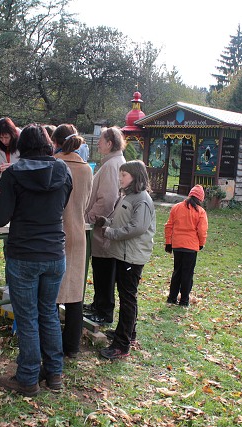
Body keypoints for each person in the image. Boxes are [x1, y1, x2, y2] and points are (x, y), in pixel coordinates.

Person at [0, 124, 72, 397]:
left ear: (22, 146)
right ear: (48, 144)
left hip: (24, 253)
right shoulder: (63, 171)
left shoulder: (13, 174)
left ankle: (27, 377)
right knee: (47, 313)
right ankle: (54, 372)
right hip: (53, 254)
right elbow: (62, 204)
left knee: (28, 318)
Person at [96, 160, 155, 360]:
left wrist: (111, 232)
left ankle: (121, 345)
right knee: (127, 296)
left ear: (136, 177)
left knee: (128, 298)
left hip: (132, 256)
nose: (120, 178)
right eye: (120, 174)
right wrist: (108, 221)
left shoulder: (142, 199)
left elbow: (136, 228)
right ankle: (128, 333)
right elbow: (123, 221)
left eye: (124, 175)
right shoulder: (128, 196)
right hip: (123, 253)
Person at [52, 124, 93, 358]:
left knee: (53, 294)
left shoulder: (55, 165)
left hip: (56, 233)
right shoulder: (86, 169)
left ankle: (52, 344)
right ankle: (72, 347)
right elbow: (85, 203)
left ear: (55, 142)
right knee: (75, 294)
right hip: (78, 233)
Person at [83, 127, 127, 325]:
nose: (98, 143)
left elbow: (108, 199)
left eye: (101, 140)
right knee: (100, 268)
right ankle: (97, 304)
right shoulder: (112, 162)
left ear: (110, 143)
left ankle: (104, 311)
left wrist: (90, 216)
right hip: (103, 226)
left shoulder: (112, 165)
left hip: (103, 227)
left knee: (104, 269)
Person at [164, 185, 208, 307]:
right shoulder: (200, 212)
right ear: (200, 199)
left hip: (177, 245)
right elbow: (202, 231)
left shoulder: (176, 208)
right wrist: (201, 244)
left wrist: (168, 242)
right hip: (191, 247)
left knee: (177, 271)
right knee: (187, 274)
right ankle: (184, 300)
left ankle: (172, 298)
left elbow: (169, 226)